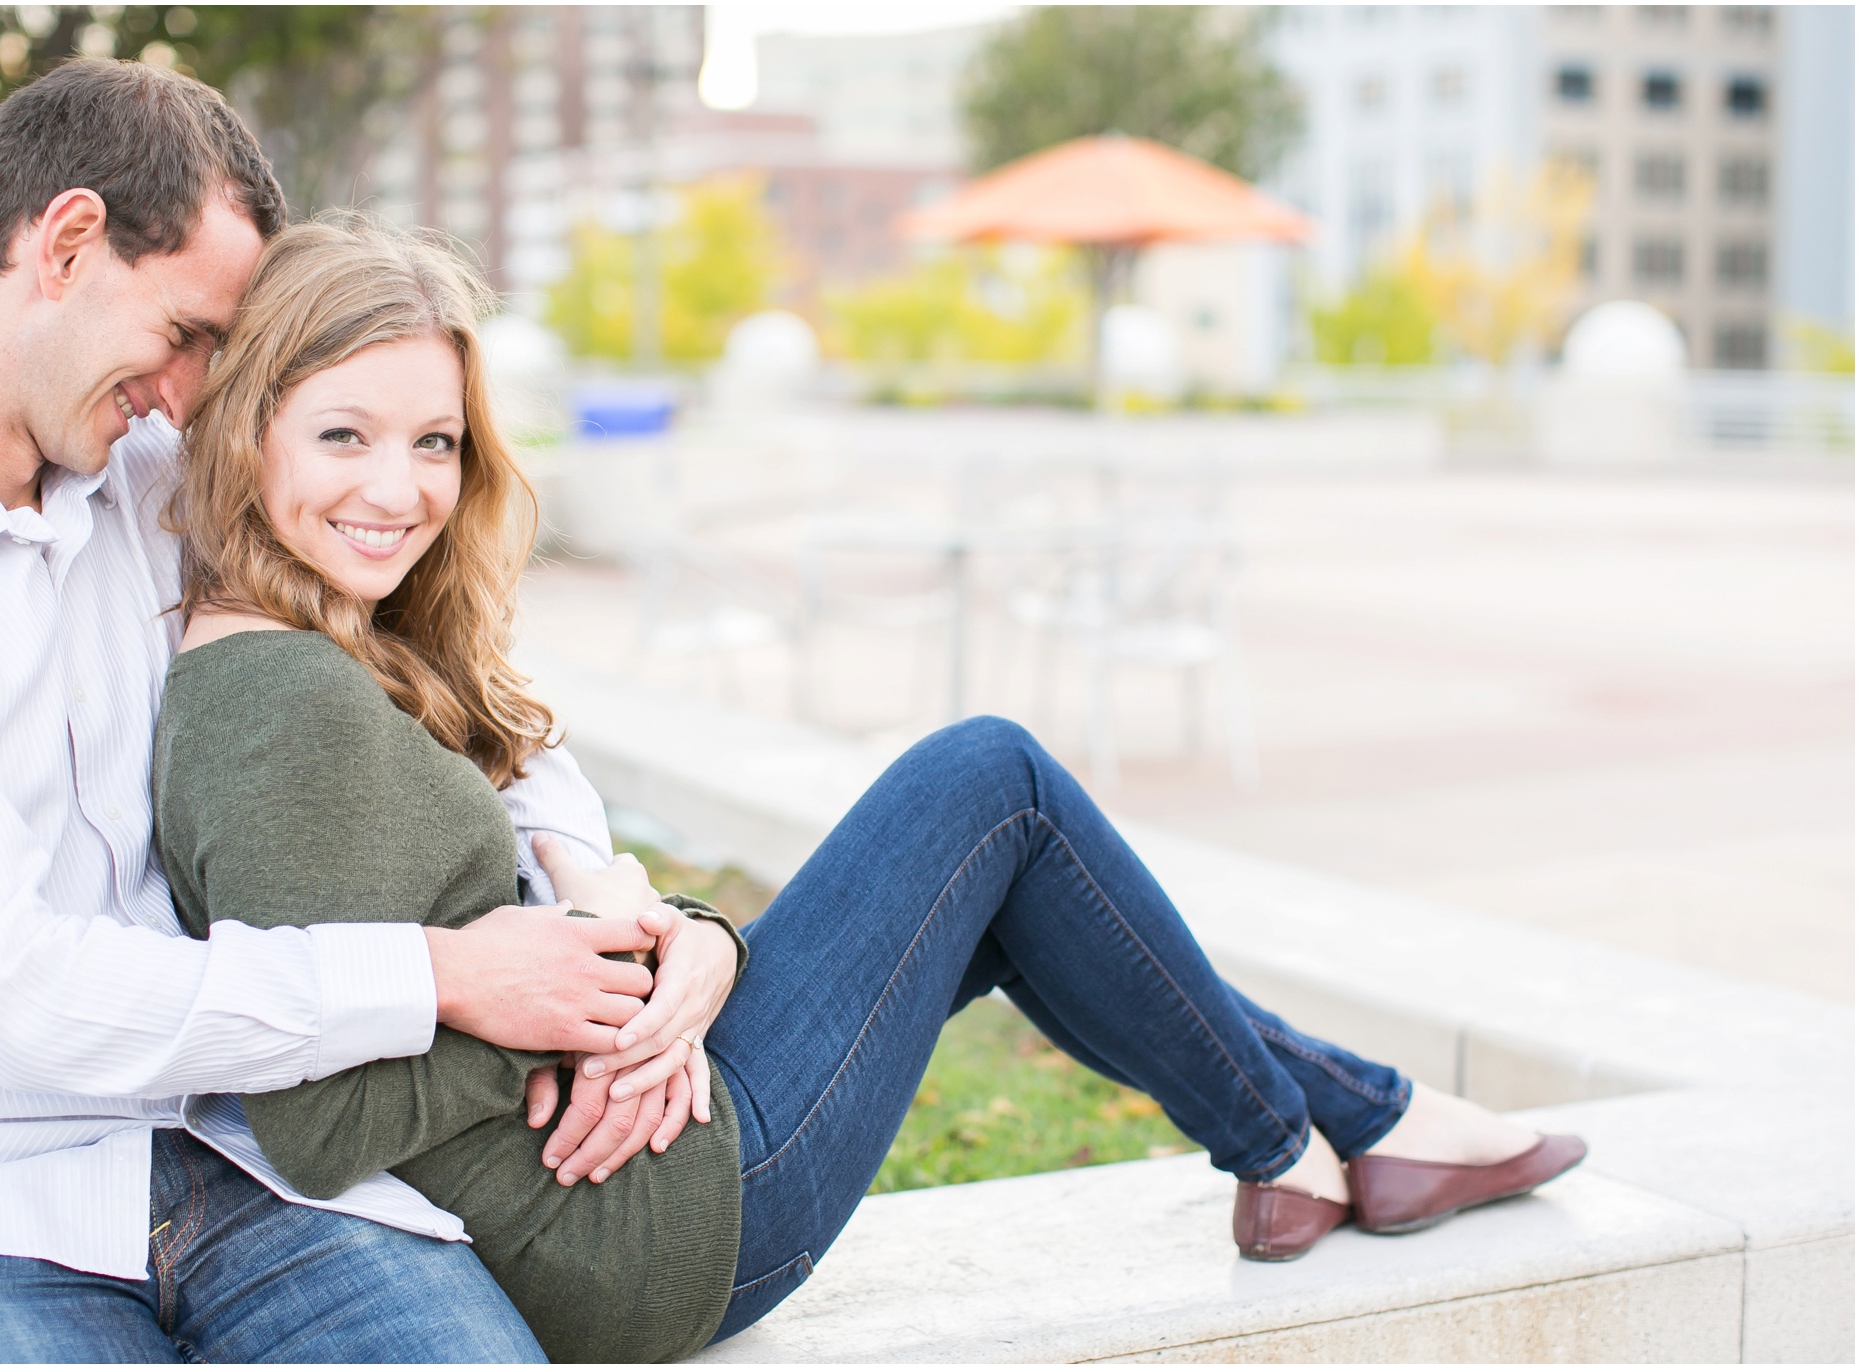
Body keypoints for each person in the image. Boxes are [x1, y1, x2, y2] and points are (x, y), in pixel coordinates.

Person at [152, 218, 1588, 1364]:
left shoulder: (330, 642)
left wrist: (674, 948)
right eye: (344, 434)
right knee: (997, 783)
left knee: (1007, 864)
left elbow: (520, 879)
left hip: (642, 1158)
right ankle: (1328, 1133)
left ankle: (1336, 1130)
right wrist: (566, 1023)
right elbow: (311, 1115)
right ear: (248, 427)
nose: (398, 489)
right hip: (649, 1225)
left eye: (434, 442)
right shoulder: (276, 699)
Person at [0, 61, 647, 1363]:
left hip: (246, 1167)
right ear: (68, 241)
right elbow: (18, 995)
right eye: (187, 333)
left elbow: (459, 699)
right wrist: (440, 976)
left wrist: (598, 883)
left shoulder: (162, 486)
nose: (196, 387)